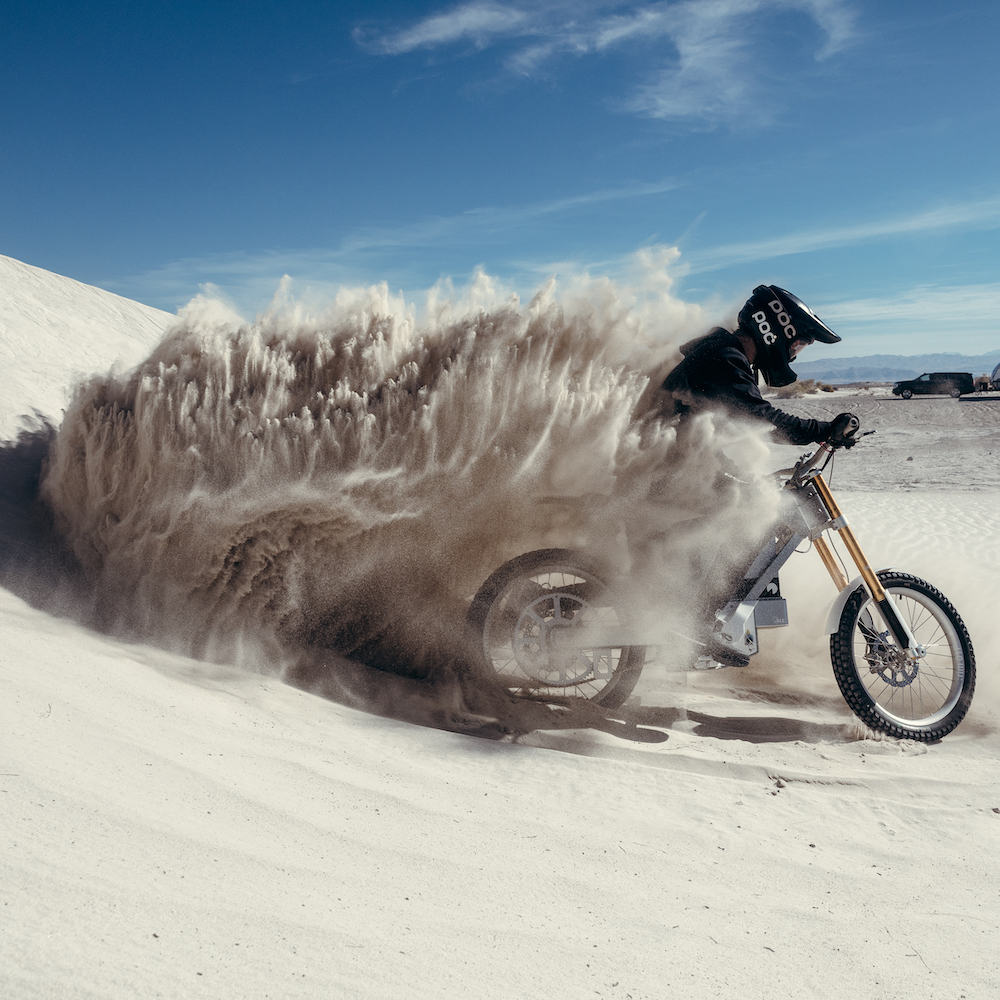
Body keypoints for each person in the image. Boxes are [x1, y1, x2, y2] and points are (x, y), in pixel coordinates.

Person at [662, 284, 852, 444]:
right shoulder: (726, 358)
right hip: (672, 455)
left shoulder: (719, 349)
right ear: (775, 332)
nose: (793, 356)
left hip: (679, 448)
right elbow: (760, 420)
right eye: (796, 345)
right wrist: (824, 430)